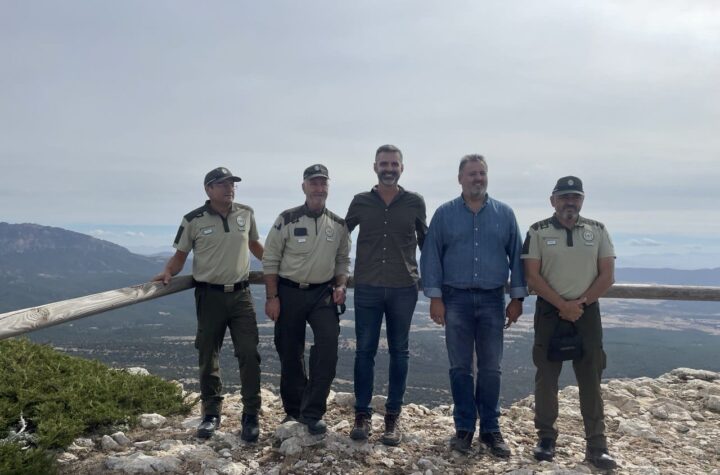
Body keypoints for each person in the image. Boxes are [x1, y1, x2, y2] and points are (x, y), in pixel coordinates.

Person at [420, 154, 527, 456]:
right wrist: (436, 298)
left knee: (492, 368)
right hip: (456, 300)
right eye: (471, 174)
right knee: (460, 367)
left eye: (481, 173)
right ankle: (464, 428)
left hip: (494, 300)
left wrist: (516, 298)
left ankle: (491, 430)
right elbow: (431, 257)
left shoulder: (504, 214)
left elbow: (517, 256)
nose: (477, 179)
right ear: (460, 179)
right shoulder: (444, 214)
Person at [153, 167, 263, 442]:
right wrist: (168, 272)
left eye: (232, 184)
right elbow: (181, 254)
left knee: (249, 353)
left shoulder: (246, 213)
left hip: (241, 295)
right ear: (208, 190)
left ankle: (251, 415)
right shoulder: (193, 219)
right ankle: (211, 414)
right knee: (208, 354)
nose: (230, 188)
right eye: (223, 184)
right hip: (209, 296)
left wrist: (280, 267)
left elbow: (255, 246)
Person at [521, 176, 617, 470]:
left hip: (587, 313)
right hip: (550, 312)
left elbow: (607, 275)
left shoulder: (598, 230)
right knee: (547, 377)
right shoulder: (537, 231)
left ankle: (597, 445)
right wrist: (563, 305)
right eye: (564, 197)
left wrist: (581, 304)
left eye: (575, 196)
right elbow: (532, 276)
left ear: (583, 200)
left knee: (591, 376)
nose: (570, 202)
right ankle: (546, 439)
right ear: (553, 201)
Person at [344, 144, 427, 446]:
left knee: (399, 352)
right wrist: (339, 275)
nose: (389, 168)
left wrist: (433, 281)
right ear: (375, 167)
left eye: (394, 163)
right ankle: (362, 415)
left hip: (404, 286)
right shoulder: (360, 202)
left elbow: (425, 242)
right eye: (384, 163)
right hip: (366, 284)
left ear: (401, 168)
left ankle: (393, 417)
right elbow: (342, 236)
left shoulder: (415, 202)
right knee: (364, 351)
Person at [262, 164, 351, 435]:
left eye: (323, 183)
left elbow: (343, 260)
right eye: (314, 182)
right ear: (304, 186)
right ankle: (293, 410)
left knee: (327, 346)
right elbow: (271, 258)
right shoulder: (286, 219)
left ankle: (312, 412)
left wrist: (341, 284)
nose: (319, 188)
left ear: (328, 188)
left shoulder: (338, 224)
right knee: (289, 350)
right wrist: (272, 297)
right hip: (288, 292)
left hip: (322, 294)